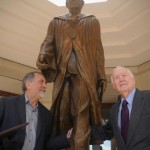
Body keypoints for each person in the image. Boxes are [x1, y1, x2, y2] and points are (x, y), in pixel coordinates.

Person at [36, 0, 107, 149]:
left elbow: (98, 49)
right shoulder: (56, 22)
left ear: (82, 3)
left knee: (81, 113)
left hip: (84, 74)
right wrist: (43, 54)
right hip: (62, 74)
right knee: (62, 114)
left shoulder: (92, 21)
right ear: (66, 3)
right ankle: (65, 145)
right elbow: (48, 42)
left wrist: (101, 75)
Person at [0, 71, 71, 150]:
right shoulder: (6, 104)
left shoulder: (47, 114)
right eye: (41, 82)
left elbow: (45, 144)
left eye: (45, 83)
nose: (45, 86)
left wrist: (68, 137)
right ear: (28, 84)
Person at [92, 66, 150, 150]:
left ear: (133, 79)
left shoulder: (147, 98)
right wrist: (78, 130)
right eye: (117, 78)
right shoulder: (114, 109)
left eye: (124, 75)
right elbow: (105, 132)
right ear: (114, 85)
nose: (121, 79)